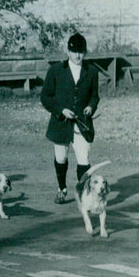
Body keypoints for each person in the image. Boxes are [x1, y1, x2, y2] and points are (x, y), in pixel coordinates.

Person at [40, 32, 99, 204]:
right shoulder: (56, 71)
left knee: (84, 159)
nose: (78, 55)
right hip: (61, 123)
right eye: (74, 51)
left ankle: (84, 193)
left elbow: (95, 96)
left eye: (81, 51)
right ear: (68, 51)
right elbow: (45, 97)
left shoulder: (92, 71)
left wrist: (90, 107)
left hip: (82, 123)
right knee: (61, 158)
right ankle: (62, 188)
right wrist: (61, 110)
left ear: (85, 52)